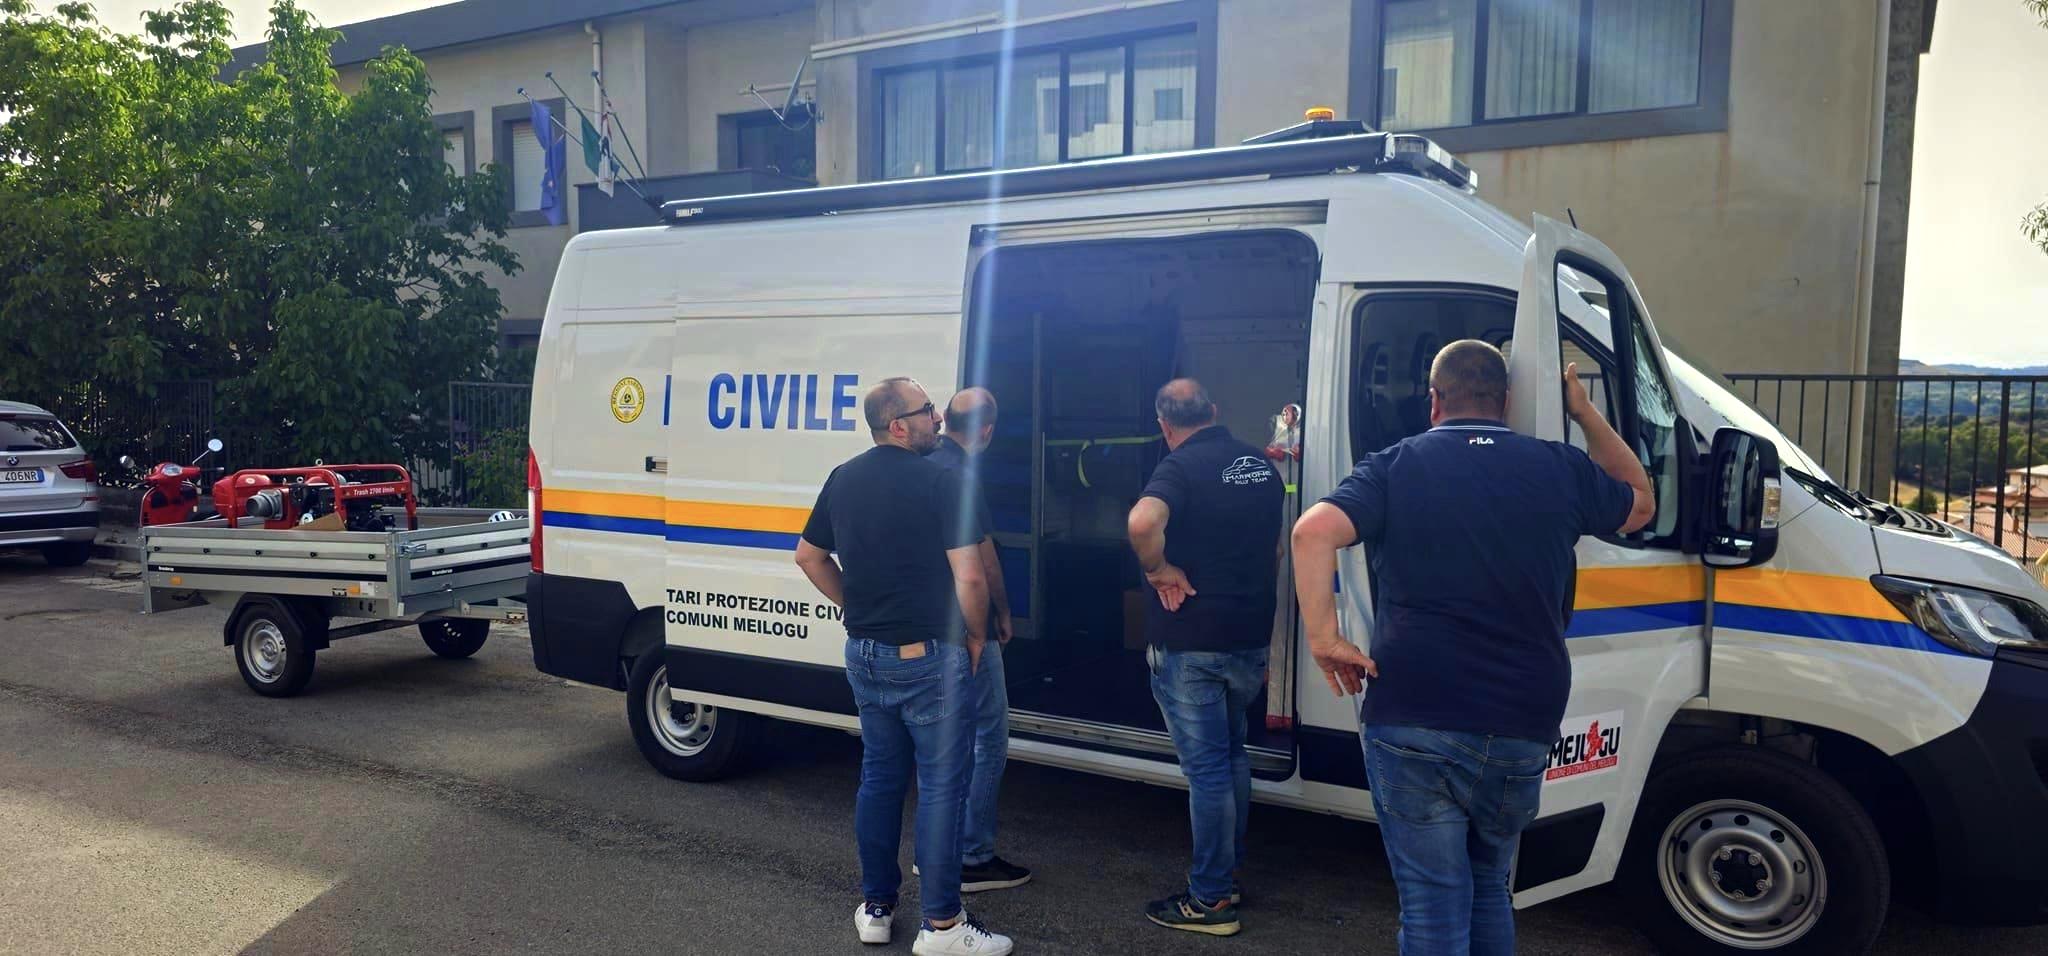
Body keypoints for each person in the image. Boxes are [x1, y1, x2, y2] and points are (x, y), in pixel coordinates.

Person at [1290, 341, 1654, 956]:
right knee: (1489, 883)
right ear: (1505, 402)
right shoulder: (1559, 466)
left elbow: (1311, 532)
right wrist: (1584, 411)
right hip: (1522, 716)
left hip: (1414, 710)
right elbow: (1639, 503)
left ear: (1434, 401)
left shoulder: (1394, 466)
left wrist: (1326, 641)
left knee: (1432, 902)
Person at [793, 377, 1014, 956]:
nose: (937, 418)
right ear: (898, 425)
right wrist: (975, 636)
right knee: (941, 786)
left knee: (880, 777)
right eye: (927, 411)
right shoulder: (943, 480)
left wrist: (854, 606)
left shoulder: (843, 477)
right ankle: (942, 926)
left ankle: (876, 908)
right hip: (929, 656)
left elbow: (808, 556)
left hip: (864, 654)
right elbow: (971, 575)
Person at [1125, 378, 1283, 937]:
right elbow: (1275, 548)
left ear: (1163, 425)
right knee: (1232, 755)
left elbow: (1142, 522)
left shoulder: (1179, 466)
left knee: (1209, 771)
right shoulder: (1260, 465)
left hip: (1192, 641)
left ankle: (1211, 899)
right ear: (1214, 410)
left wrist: (1157, 570)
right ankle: (1228, 874)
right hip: (1249, 636)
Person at [925, 387, 1032, 892]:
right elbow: (982, 562)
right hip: (965, 627)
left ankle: (936, 852)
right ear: (987, 430)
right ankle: (971, 854)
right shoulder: (962, 476)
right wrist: (1001, 614)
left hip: (923, 623)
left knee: (943, 739)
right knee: (989, 735)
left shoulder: (922, 464)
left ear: (945, 419)